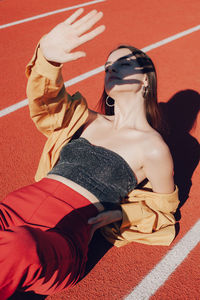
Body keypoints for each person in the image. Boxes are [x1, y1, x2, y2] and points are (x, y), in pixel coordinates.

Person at [0, 8, 179, 299]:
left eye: (123, 63)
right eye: (108, 66)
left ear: (146, 79)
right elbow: (47, 101)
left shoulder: (153, 147)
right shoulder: (83, 118)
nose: (110, 69)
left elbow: (164, 210)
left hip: (62, 236)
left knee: (19, 247)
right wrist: (48, 57)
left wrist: (122, 214)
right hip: (14, 208)